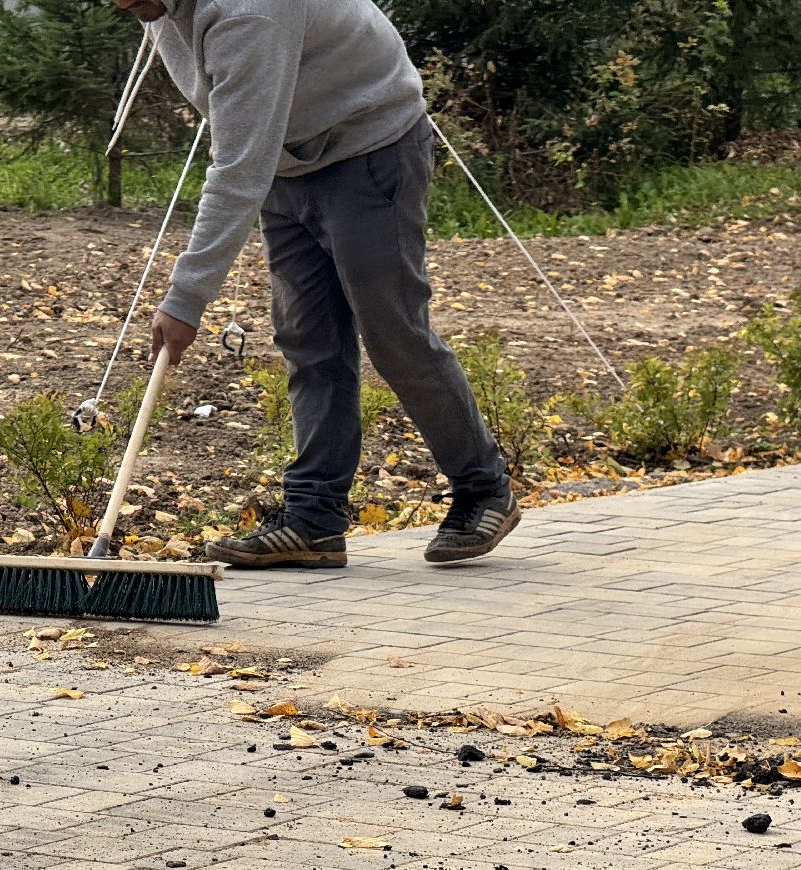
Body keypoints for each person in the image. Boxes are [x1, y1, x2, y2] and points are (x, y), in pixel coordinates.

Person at [113, 0, 520, 569]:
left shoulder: (248, 13)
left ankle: (484, 490)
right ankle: (314, 518)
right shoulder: (158, 8)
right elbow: (240, 132)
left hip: (370, 146)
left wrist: (186, 298)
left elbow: (237, 169)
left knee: (393, 334)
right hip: (288, 162)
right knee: (308, 340)